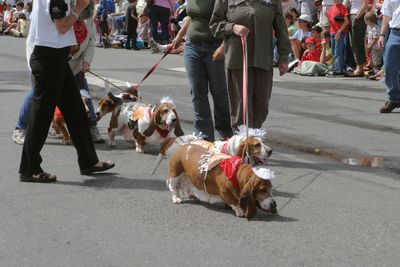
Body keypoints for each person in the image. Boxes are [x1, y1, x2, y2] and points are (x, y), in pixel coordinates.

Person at [19, 0, 114, 183]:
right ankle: (29, 169)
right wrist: (78, 8)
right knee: (42, 115)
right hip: (48, 58)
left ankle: (88, 161)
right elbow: (62, 26)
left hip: (56, 56)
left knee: (76, 110)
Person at [210, 0, 290, 130]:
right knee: (241, 105)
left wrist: (284, 56)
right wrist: (233, 27)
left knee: (261, 104)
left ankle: (254, 134)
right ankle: (243, 139)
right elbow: (214, 25)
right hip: (237, 59)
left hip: (263, 59)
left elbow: (281, 28)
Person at [172, 0, 232, 141]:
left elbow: (229, 20)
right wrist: (179, 35)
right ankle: (204, 135)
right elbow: (193, 17)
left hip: (215, 46)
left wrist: (223, 47)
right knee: (197, 92)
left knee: (219, 92)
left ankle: (225, 133)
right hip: (192, 46)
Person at [378, 0, 400, 113]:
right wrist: (382, 35)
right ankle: (395, 98)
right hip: (395, 33)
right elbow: (387, 16)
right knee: (388, 68)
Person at [343, 0, 369, 77]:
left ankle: (360, 66)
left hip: (358, 15)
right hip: (351, 15)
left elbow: (365, 4)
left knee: (357, 41)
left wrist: (357, 17)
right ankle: (359, 64)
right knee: (352, 42)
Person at [327, 0, 350, 75]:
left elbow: (346, 21)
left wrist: (339, 32)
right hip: (333, 32)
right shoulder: (331, 8)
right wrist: (326, 16)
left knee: (338, 51)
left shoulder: (342, 8)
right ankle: (337, 68)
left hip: (340, 32)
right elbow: (330, 22)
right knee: (334, 51)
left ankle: (339, 69)